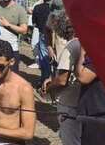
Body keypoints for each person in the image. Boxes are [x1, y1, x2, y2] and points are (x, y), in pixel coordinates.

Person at [40, 10, 81, 145]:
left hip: (69, 104)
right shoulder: (83, 42)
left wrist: (49, 86)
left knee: (71, 140)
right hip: (80, 102)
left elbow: (63, 80)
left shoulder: (71, 46)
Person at [0, 0, 28, 73]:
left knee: (11, 77)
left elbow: (24, 30)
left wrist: (7, 25)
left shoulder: (20, 9)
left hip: (12, 49)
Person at [30, 0, 54, 84]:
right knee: (56, 59)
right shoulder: (55, 8)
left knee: (44, 60)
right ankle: (54, 81)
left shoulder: (37, 8)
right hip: (57, 36)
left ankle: (45, 81)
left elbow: (34, 24)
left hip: (43, 35)